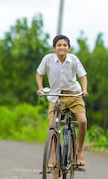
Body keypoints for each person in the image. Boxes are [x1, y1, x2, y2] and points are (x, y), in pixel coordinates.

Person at [35, 34, 89, 168]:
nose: (62, 47)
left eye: (65, 45)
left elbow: (83, 76)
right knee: (53, 126)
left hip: (74, 95)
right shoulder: (48, 59)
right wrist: (40, 88)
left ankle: (79, 151)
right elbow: (39, 74)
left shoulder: (74, 60)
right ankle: (52, 156)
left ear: (69, 48)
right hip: (56, 95)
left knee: (82, 121)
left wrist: (84, 89)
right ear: (54, 48)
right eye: (59, 45)